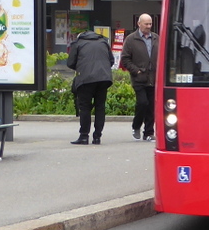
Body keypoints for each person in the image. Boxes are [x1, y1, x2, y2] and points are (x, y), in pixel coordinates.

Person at [67, 30, 113, 145]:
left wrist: (82, 67)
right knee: (100, 107)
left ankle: (84, 136)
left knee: (85, 107)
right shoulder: (103, 42)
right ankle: (97, 137)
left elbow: (70, 62)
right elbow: (111, 60)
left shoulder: (78, 43)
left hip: (85, 79)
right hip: (104, 78)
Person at [121, 13, 158, 142]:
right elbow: (125, 59)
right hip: (139, 78)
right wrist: (136, 71)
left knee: (152, 106)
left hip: (153, 78)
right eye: (146, 24)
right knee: (142, 103)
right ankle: (136, 126)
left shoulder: (156, 38)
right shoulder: (131, 39)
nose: (149, 26)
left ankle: (148, 132)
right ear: (139, 24)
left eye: (150, 24)